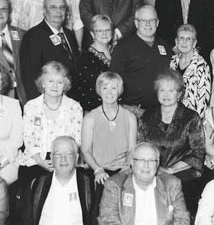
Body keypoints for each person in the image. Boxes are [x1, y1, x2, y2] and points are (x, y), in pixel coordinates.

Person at [138, 69, 204, 213]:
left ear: (179, 94)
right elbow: (140, 146)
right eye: (162, 90)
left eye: (171, 90)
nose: (166, 95)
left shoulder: (191, 117)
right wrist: (155, 168)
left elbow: (198, 153)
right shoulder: (147, 116)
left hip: (183, 174)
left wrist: (171, 170)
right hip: (151, 171)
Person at [81, 72, 137, 211]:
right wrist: (98, 170)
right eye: (105, 88)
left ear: (119, 91)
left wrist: (126, 167)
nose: (109, 92)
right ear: (99, 91)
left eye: (114, 88)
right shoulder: (90, 117)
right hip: (98, 170)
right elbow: (85, 150)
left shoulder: (130, 117)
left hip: (122, 169)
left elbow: (132, 149)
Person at [10, 136, 97, 225]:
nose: (63, 159)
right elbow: (25, 220)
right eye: (58, 154)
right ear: (51, 157)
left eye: (68, 154)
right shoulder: (37, 184)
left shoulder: (90, 186)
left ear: (77, 157)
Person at [98, 143, 190, 225]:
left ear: (157, 164)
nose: (146, 165)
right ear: (132, 162)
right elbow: (108, 221)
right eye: (141, 160)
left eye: (151, 160)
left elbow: (182, 220)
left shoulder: (172, 184)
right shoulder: (115, 185)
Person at [21, 61, 83, 180]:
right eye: (50, 81)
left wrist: (62, 160)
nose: (55, 86)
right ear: (43, 83)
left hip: (66, 161)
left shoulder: (74, 107)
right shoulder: (31, 106)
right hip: (36, 160)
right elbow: (28, 138)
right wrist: (40, 161)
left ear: (65, 85)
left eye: (59, 82)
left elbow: (77, 140)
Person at [110, 5, 173, 113]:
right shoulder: (123, 47)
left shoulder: (165, 46)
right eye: (143, 20)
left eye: (152, 20)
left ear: (157, 23)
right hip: (133, 111)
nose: (148, 24)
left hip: (161, 111)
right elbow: (114, 81)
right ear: (136, 23)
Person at [20, 0, 80, 100]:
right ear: (44, 11)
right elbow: (30, 76)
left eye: (62, 7)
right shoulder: (33, 36)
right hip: (48, 102)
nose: (58, 11)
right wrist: (39, 106)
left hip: (71, 101)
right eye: (53, 7)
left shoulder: (69, 34)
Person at [169, 24, 211, 115]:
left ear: (194, 43)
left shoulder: (202, 65)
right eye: (181, 38)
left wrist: (193, 124)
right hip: (171, 116)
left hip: (191, 119)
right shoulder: (172, 61)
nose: (184, 42)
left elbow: (203, 102)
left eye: (188, 39)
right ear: (176, 41)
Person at [75, 14, 114, 111]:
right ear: (92, 34)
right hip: (96, 110)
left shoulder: (118, 52)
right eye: (99, 31)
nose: (104, 34)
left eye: (107, 30)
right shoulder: (85, 59)